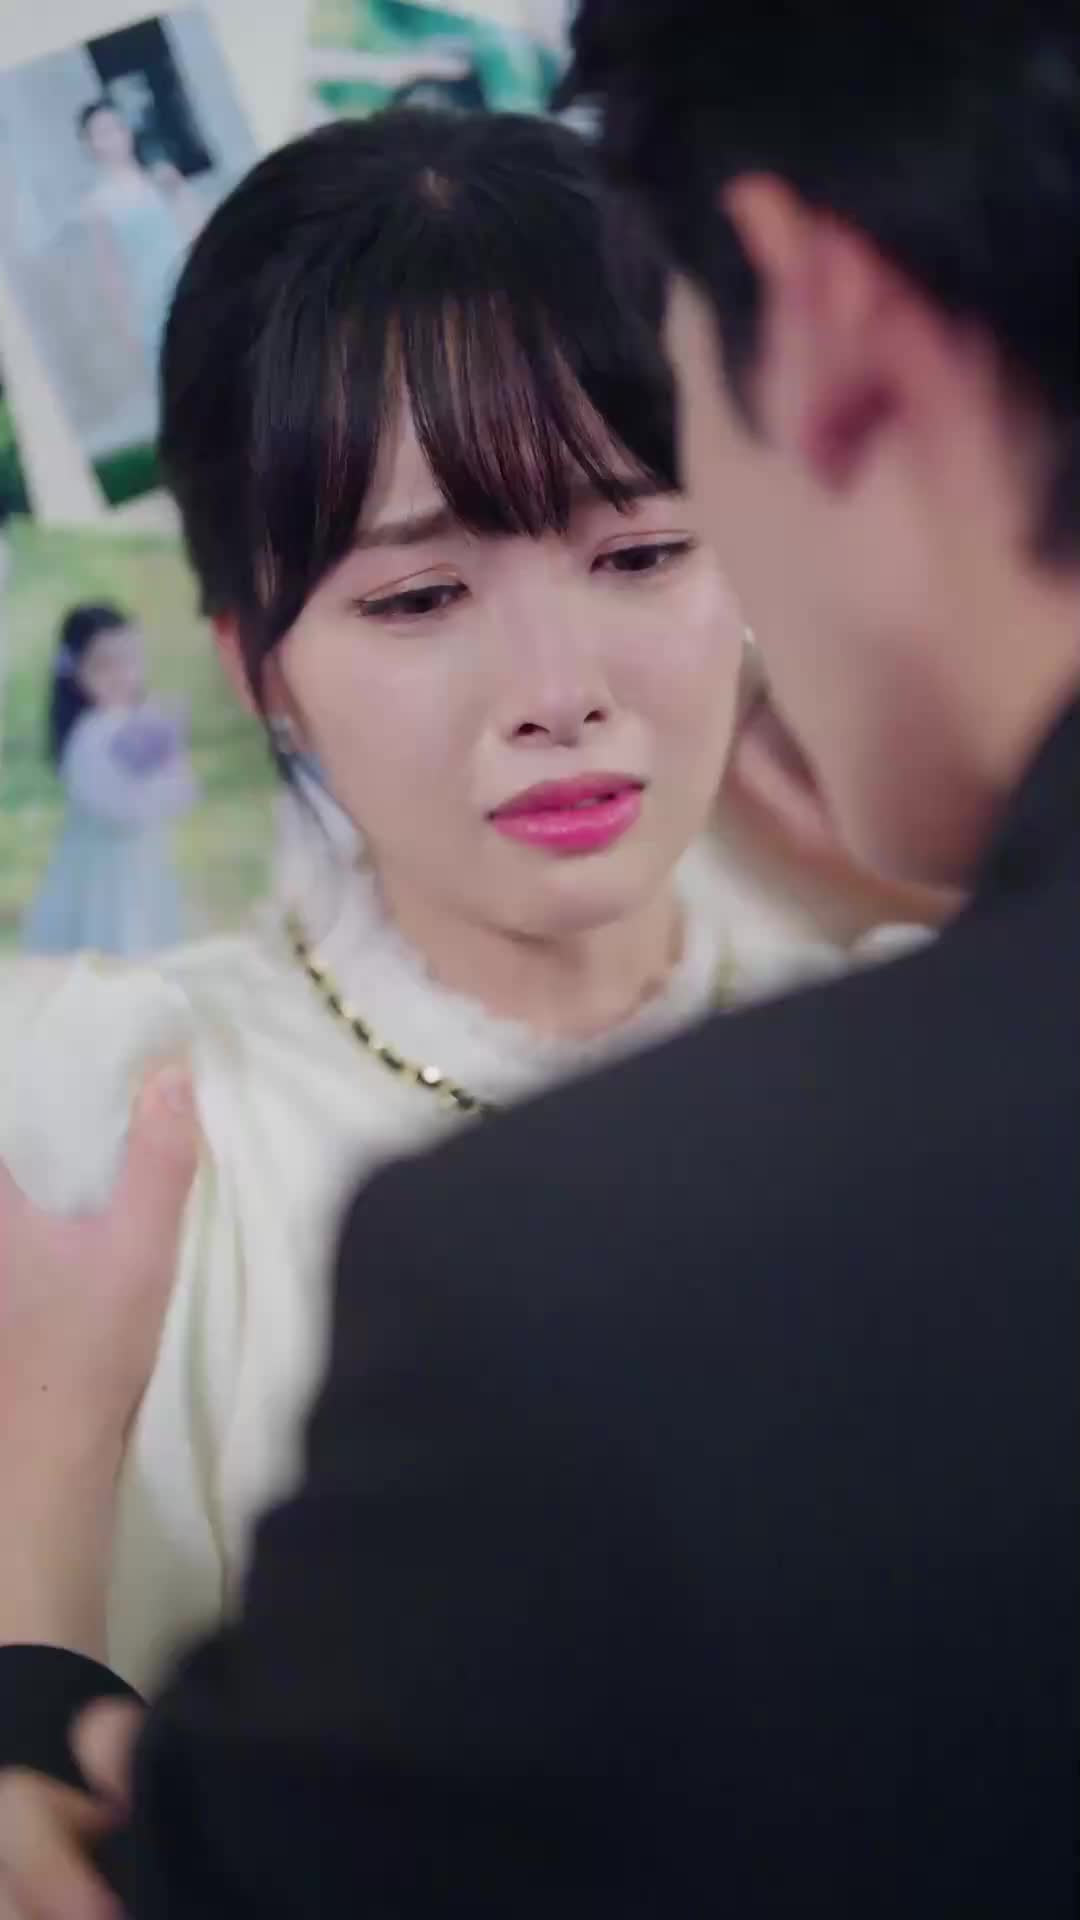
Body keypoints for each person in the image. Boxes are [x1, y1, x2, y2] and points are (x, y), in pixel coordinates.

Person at [4, 17, 1072, 1902]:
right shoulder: (86, 1125)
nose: (557, 693)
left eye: (643, 555)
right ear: (259, 667)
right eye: (421, 596)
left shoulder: (932, 1033)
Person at [20, 604, 197, 957]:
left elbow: (179, 789)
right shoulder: (88, 735)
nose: (121, 675)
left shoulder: (146, 719)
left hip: (143, 862)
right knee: (109, 943)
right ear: (77, 671)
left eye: (129, 660)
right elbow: (108, 802)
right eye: (104, 665)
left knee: (150, 941)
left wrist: (162, 763)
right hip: (101, 871)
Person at [79, 97, 202, 385]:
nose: (113, 138)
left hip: (190, 287)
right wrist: (126, 328)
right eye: (102, 133)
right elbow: (109, 272)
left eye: (117, 128)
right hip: (151, 306)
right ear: (90, 144)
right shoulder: (97, 206)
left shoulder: (160, 176)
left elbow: (196, 228)